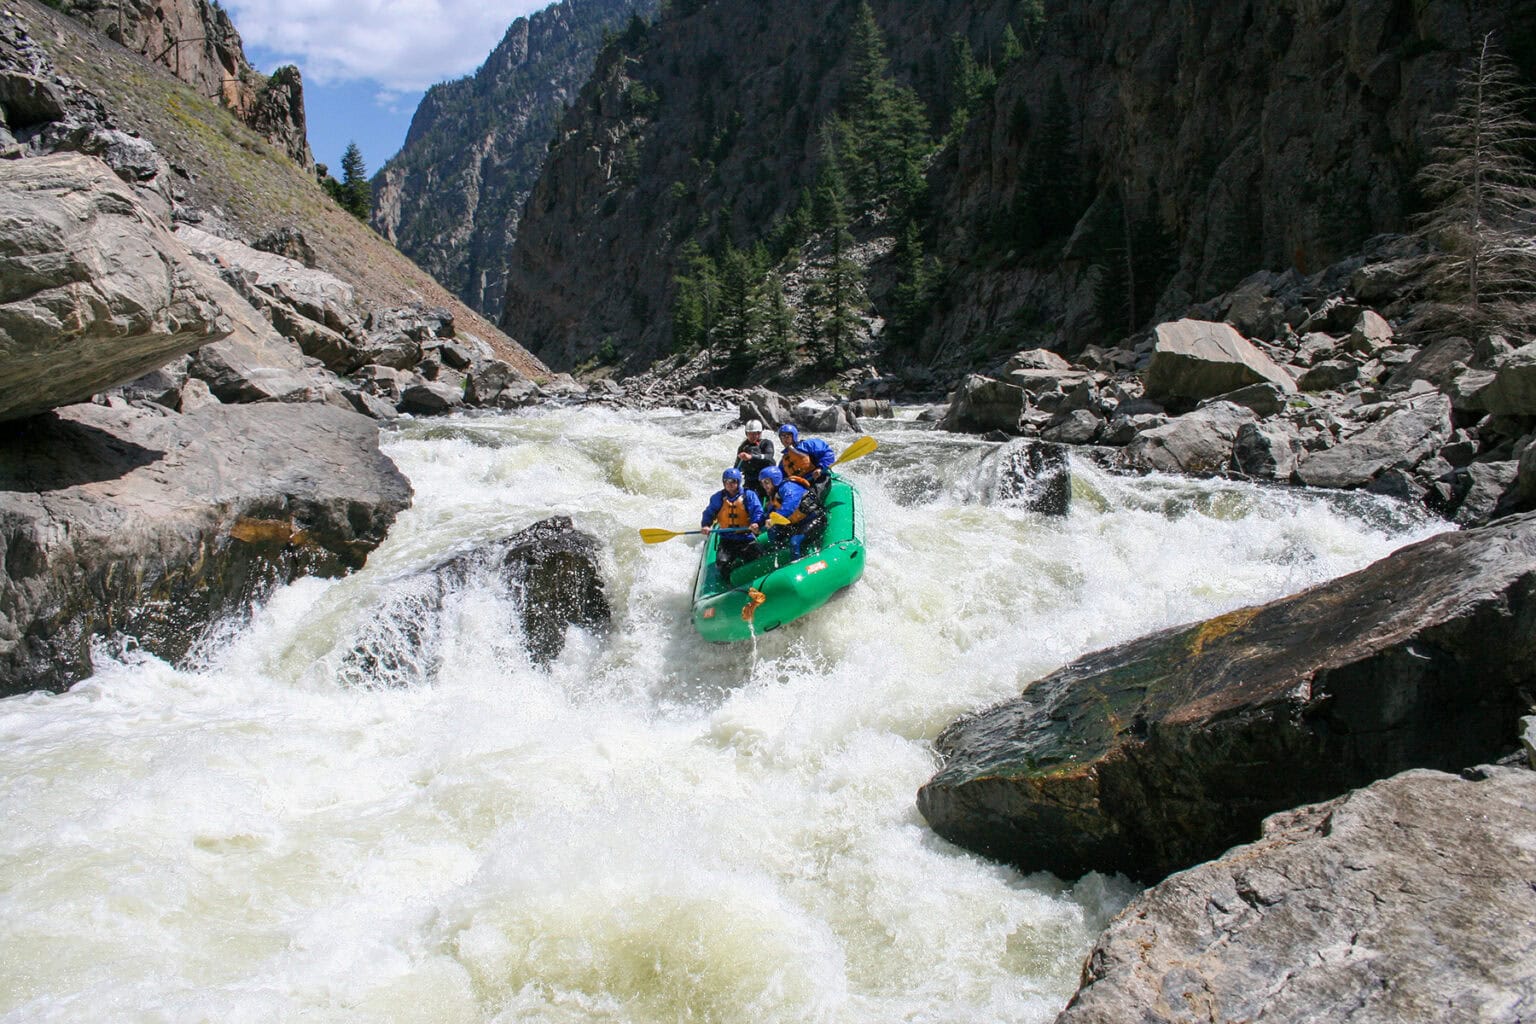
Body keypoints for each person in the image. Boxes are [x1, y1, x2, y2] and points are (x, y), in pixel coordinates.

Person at [701, 467, 765, 573]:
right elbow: (709, 512)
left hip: (746, 538)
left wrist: (756, 522)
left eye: (733, 481)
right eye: (727, 481)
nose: (729, 484)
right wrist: (706, 525)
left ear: (738, 482)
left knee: (759, 557)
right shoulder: (718, 497)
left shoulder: (748, 495)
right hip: (727, 540)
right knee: (722, 563)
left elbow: (757, 511)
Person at [755, 466, 827, 559]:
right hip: (797, 523)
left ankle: (797, 565)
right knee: (772, 531)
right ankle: (781, 553)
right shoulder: (774, 495)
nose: (765, 486)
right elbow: (768, 514)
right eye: (762, 483)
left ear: (775, 480)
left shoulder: (788, 487)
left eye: (767, 482)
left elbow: (790, 504)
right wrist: (758, 525)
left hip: (813, 518)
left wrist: (776, 518)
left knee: (794, 542)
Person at [776, 424, 835, 499]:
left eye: (788, 436)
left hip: (819, 477)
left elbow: (827, 452)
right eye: (782, 437)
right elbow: (781, 479)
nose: (785, 439)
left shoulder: (807, 445)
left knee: (811, 497)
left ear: (794, 436)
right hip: (802, 484)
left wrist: (820, 468)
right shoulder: (783, 461)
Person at [735, 419, 775, 498]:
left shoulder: (766, 443)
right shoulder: (743, 447)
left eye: (754, 434)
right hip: (750, 480)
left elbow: (769, 457)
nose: (752, 436)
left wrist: (751, 457)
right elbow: (737, 466)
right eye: (749, 434)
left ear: (759, 433)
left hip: (765, 480)